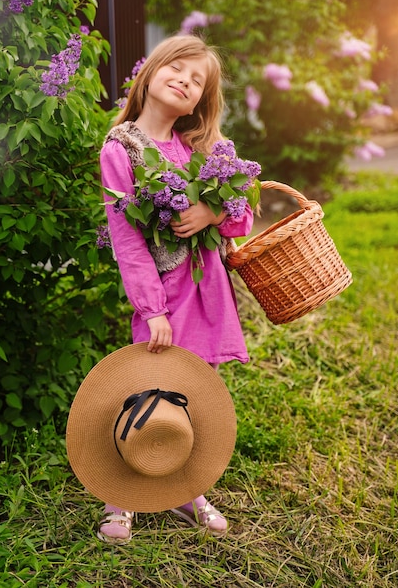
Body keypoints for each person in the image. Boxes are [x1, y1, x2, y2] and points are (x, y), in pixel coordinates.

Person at [99, 34, 254, 544]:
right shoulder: (120, 147)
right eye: (179, 68)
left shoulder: (199, 150)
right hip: (163, 297)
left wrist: (215, 209)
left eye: (197, 81)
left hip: (206, 291)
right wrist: (152, 309)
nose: (185, 81)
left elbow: (243, 216)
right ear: (153, 69)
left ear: (200, 101)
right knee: (145, 385)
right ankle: (120, 496)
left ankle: (189, 492)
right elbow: (126, 238)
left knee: (196, 394)